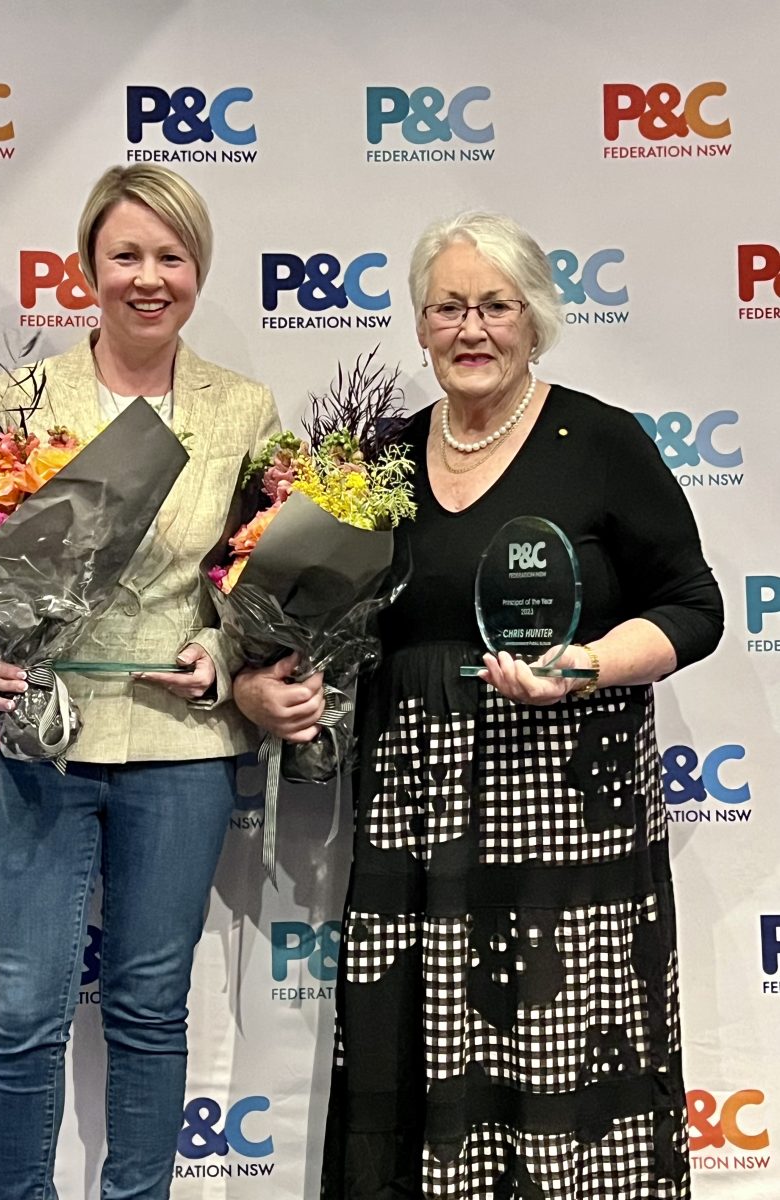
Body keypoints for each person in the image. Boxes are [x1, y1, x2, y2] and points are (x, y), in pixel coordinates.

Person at [234, 211, 723, 1198]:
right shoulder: (379, 462)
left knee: (555, 1062)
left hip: (567, 818)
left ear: (534, 317)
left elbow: (694, 608)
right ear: (419, 324)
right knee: (412, 1055)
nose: (471, 328)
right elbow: (305, 616)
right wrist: (262, 677)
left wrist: (582, 665)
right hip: (415, 813)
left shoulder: (602, 441)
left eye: (494, 306)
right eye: (448, 307)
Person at [0, 164, 280, 1200]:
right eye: (126, 256)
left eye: (171, 257)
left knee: (148, 1007)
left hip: (180, 749)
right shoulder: (21, 398)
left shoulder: (243, 408)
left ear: (199, 270)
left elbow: (262, 577)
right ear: (87, 268)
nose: (149, 278)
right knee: (20, 1009)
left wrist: (228, 656)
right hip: (36, 744)